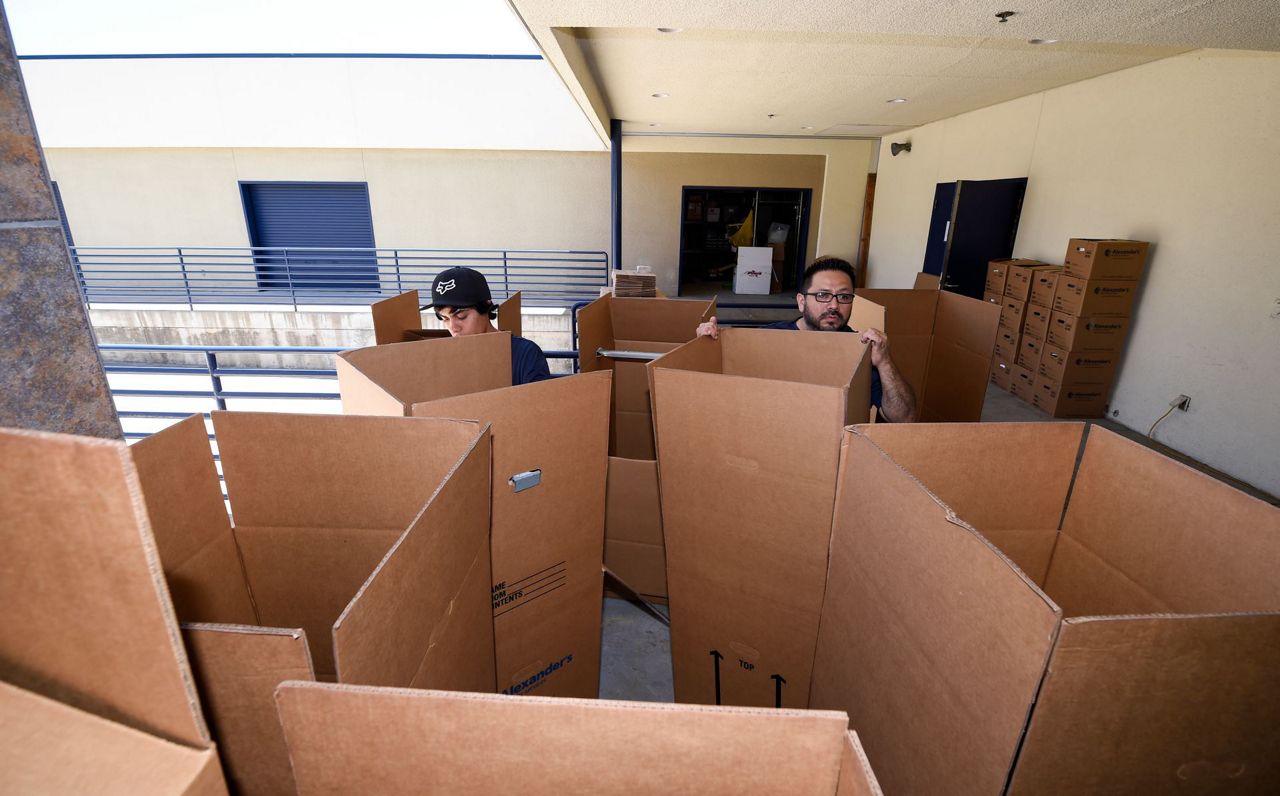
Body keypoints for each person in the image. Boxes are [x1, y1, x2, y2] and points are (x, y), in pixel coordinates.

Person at [696, 257, 918, 422]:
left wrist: (884, 362)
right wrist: (705, 348)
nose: (833, 305)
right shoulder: (769, 339)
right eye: (822, 295)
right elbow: (715, 394)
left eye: (844, 296)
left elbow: (905, 418)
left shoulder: (862, 351)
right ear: (801, 302)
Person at [430, 266, 552, 385]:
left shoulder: (525, 354)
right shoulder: (445, 359)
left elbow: (540, 404)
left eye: (461, 316)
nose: (453, 328)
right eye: (444, 318)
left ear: (485, 306)